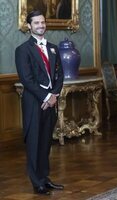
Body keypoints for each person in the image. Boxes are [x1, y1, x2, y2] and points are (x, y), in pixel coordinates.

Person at [15, 10, 64, 195]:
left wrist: (54, 95)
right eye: (36, 23)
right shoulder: (22, 50)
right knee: (34, 142)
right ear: (29, 26)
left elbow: (60, 75)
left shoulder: (53, 48)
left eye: (43, 22)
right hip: (35, 103)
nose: (41, 26)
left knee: (45, 142)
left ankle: (44, 178)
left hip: (50, 102)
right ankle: (37, 183)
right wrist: (46, 97)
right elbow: (27, 79)